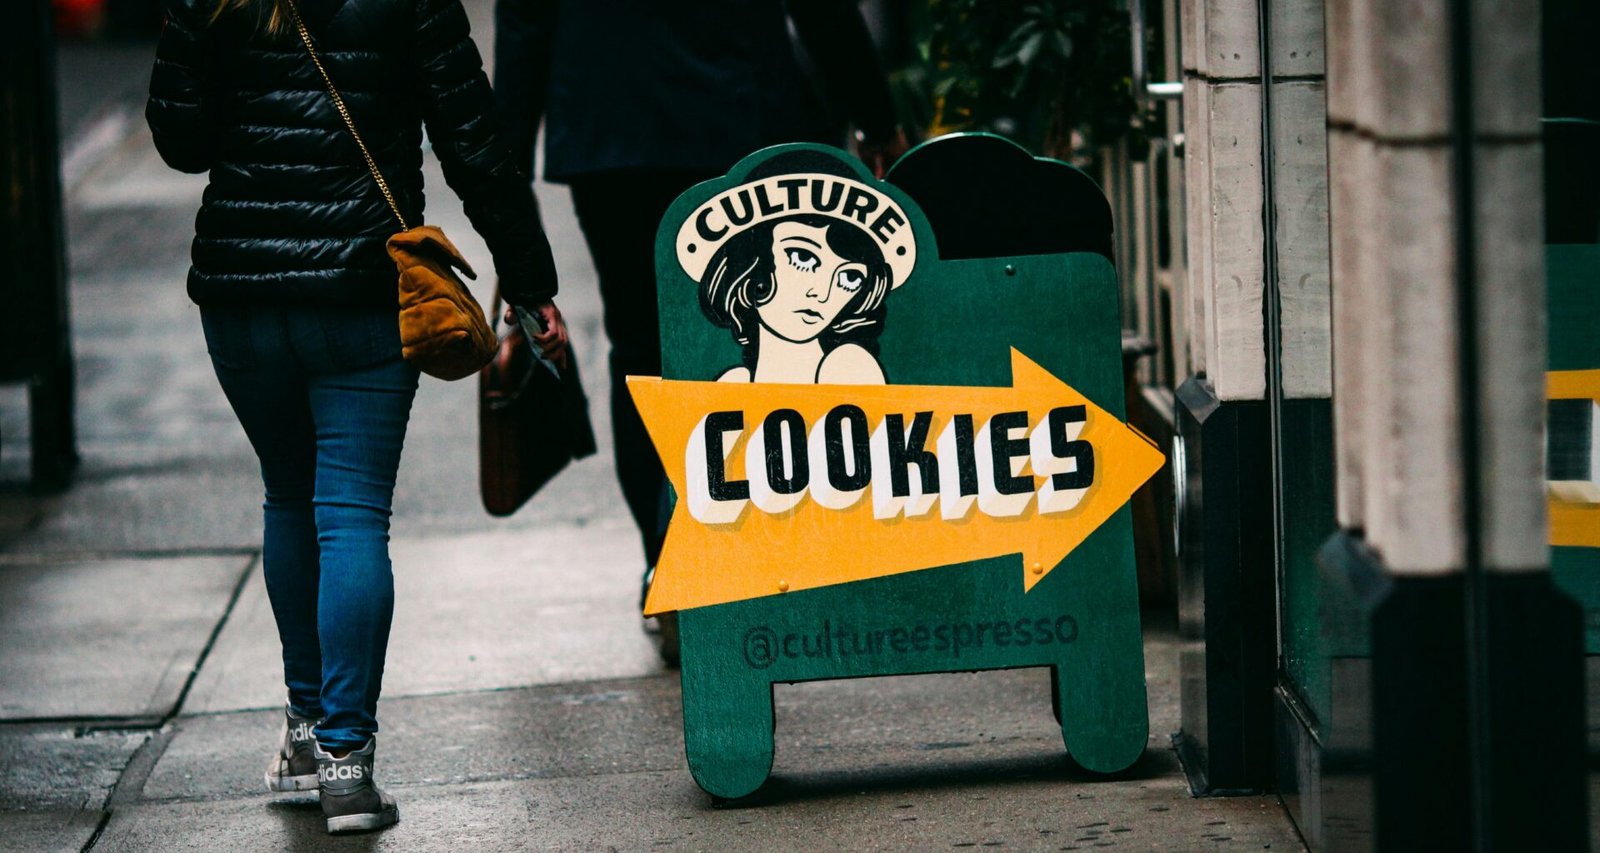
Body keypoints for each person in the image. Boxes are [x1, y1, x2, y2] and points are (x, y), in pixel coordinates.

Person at [146, 0, 566, 834]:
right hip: (363, 292)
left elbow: (180, 141)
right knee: (352, 514)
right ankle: (346, 766)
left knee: (289, 496)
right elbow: (471, 139)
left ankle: (304, 734)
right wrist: (528, 276)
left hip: (243, 295)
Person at [492, 0, 909, 658]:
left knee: (641, 349)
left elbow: (526, 24)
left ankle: (669, 566)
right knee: (753, 341)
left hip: (609, 127)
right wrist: (875, 114)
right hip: (736, 118)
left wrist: (505, 179)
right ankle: (753, 561)